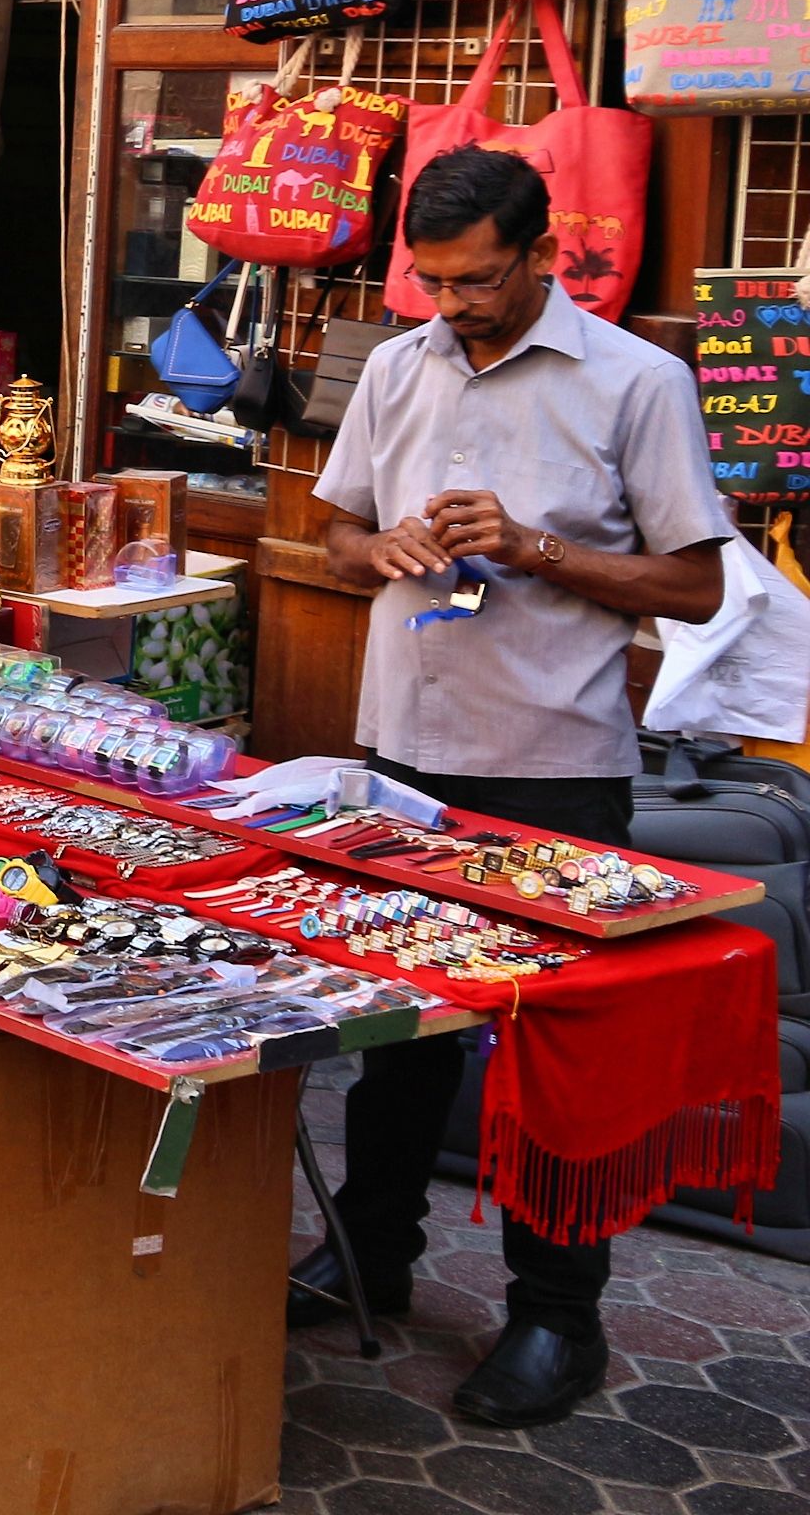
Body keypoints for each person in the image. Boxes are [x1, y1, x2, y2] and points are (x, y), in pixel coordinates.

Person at [290, 146, 731, 1428]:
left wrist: (536, 549)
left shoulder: (637, 381)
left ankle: (557, 1315)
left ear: (545, 253)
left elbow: (697, 585)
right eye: (430, 279)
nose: (452, 304)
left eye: (477, 279)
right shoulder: (393, 362)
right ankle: (372, 1252)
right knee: (391, 1035)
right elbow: (338, 531)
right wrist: (386, 545)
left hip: (554, 765)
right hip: (408, 750)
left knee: (556, 1052)